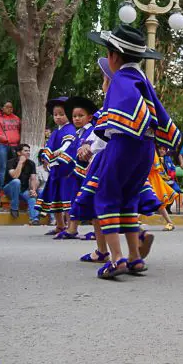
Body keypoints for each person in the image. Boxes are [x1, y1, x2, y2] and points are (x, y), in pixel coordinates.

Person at [87, 25, 181, 279]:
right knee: (129, 201)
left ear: (114, 56)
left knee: (105, 197)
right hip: (146, 149)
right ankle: (135, 258)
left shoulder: (121, 80)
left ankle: (116, 259)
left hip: (125, 144)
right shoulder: (142, 79)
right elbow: (156, 112)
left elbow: (125, 112)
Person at [73, 57, 158, 265]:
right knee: (126, 201)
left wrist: (89, 147)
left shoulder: (114, 104)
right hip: (136, 155)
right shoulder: (138, 99)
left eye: (104, 78)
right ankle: (133, 252)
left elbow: (105, 136)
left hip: (107, 160)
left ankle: (112, 254)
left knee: (102, 202)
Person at [52, 96, 99, 240]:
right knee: (77, 199)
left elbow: (93, 148)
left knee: (91, 200)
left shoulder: (92, 130)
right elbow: (73, 152)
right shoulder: (78, 133)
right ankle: (72, 229)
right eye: (74, 116)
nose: (77, 119)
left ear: (90, 117)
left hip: (91, 171)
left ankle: (98, 232)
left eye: (80, 116)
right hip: (78, 172)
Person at [36, 97, 75, 235]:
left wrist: (61, 151)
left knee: (67, 197)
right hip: (55, 168)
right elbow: (49, 146)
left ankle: (71, 227)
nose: (58, 117)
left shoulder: (70, 128)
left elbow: (69, 144)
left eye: (61, 114)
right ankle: (60, 225)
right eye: (55, 114)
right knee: (56, 196)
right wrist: (46, 159)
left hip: (66, 169)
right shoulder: (56, 131)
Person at [3, 144, 39, 224]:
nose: (28, 152)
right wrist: (20, 163)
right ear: (19, 153)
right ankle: (14, 207)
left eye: (29, 151)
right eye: (25, 151)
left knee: (32, 198)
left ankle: (34, 218)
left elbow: (33, 179)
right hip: (9, 189)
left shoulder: (31, 163)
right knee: (16, 181)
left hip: (22, 190)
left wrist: (33, 190)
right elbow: (15, 176)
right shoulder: (10, 162)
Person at [149, 148, 178, 231]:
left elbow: (155, 166)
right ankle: (134, 223)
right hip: (144, 178)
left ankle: (170, 222)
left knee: (159, 202)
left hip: (152, 179)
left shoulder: (150, 148)